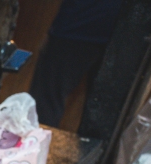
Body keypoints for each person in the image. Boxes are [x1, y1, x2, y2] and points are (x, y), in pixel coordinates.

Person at [28, 0, 125, 128]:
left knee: (45, 102)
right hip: (123, 31)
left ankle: (34, 138)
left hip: (77, 24)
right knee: (102, 112)